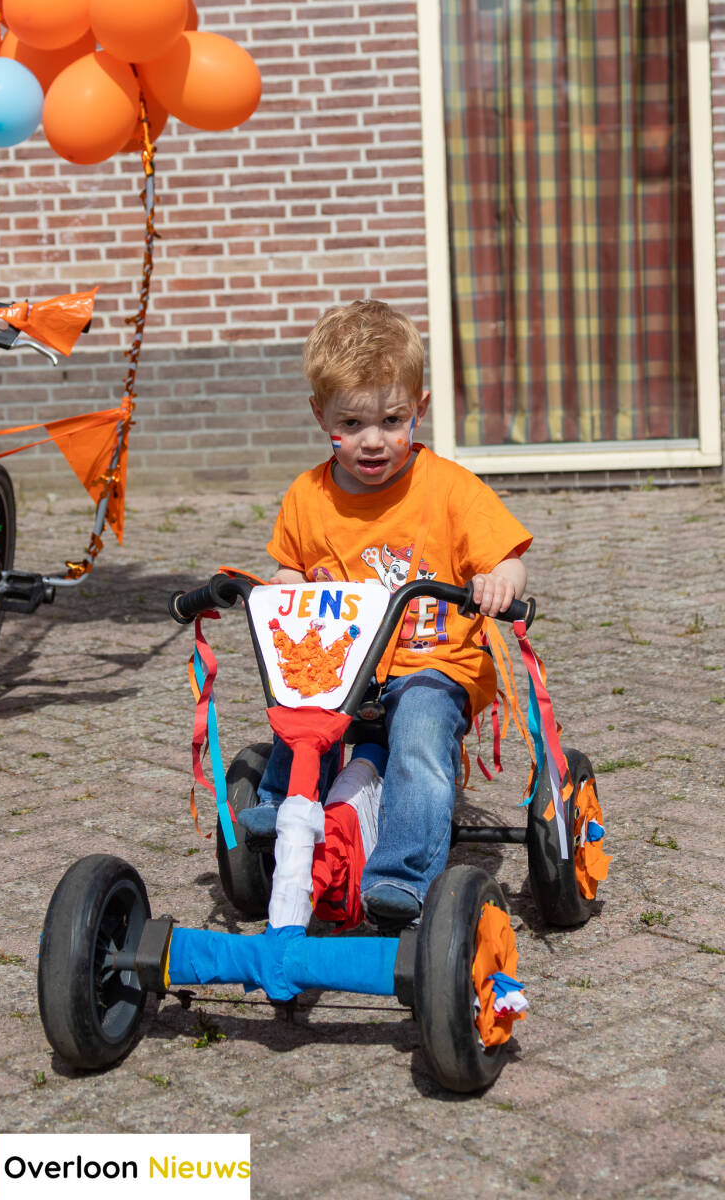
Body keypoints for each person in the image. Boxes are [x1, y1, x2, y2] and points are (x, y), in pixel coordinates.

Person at [239, 299, 532, 930]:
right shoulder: (306, 496)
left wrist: (497, 580)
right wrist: (282, 589)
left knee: (421, 737)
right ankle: (284, 811)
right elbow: (289, 568)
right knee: (300, 710)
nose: (374, 441)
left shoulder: (450, 489)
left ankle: (401, 877)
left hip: (433, 663)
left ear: (418, 409)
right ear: (322, 416)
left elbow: (507, 556)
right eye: (353, 421)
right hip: (346, 668)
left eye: (392, 420)